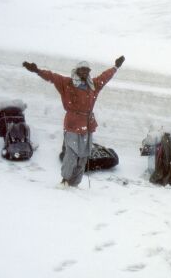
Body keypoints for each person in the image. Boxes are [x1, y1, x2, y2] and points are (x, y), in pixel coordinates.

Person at [22, 56, 125, 187]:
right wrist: (37, 71)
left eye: (87, 70)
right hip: (72, 123)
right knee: (71, 153)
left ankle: (74, 183)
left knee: (83, 155)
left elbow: (105, 77)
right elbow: (52, 77)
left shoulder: (93, 85)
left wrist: (115, 67)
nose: (85, 72)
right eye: (82, 70)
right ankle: (65, 180)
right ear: (76, 70)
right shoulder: (67, 83)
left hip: (87, 125)